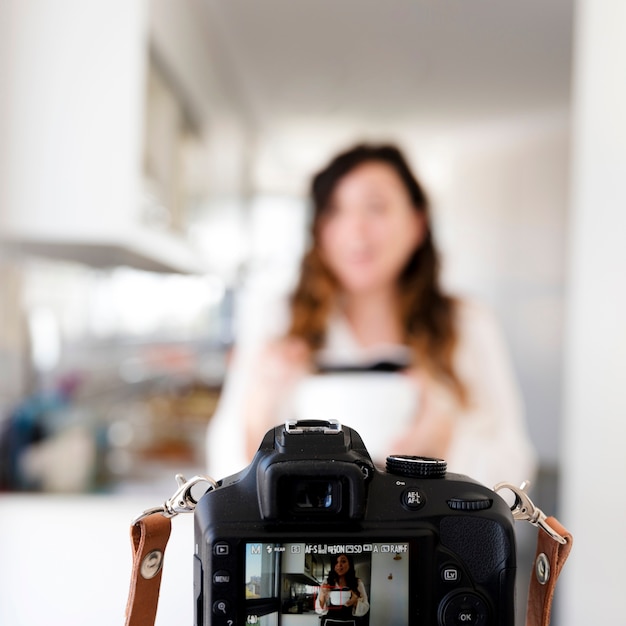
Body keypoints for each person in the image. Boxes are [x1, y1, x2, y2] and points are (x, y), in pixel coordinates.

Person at [206, 143, 537, 488]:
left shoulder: (466, 322)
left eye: (376, 208)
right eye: (334, 210)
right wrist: (262, 400)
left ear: (417, 223)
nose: (356, 230)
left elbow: (513, 474)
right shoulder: (279, 320)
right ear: (318, 229)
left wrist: (438, 440)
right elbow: (222, 471)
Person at [315, 553, 369, 625]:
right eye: (336, 562)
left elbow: (365, 609)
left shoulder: (358, 583)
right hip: (329, 622)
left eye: (343, 561)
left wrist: (355, 602)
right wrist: (322, 594)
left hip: (350, 623)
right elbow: (318, 610)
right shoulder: (326, 582)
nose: (339, 565)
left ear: (349, 564)